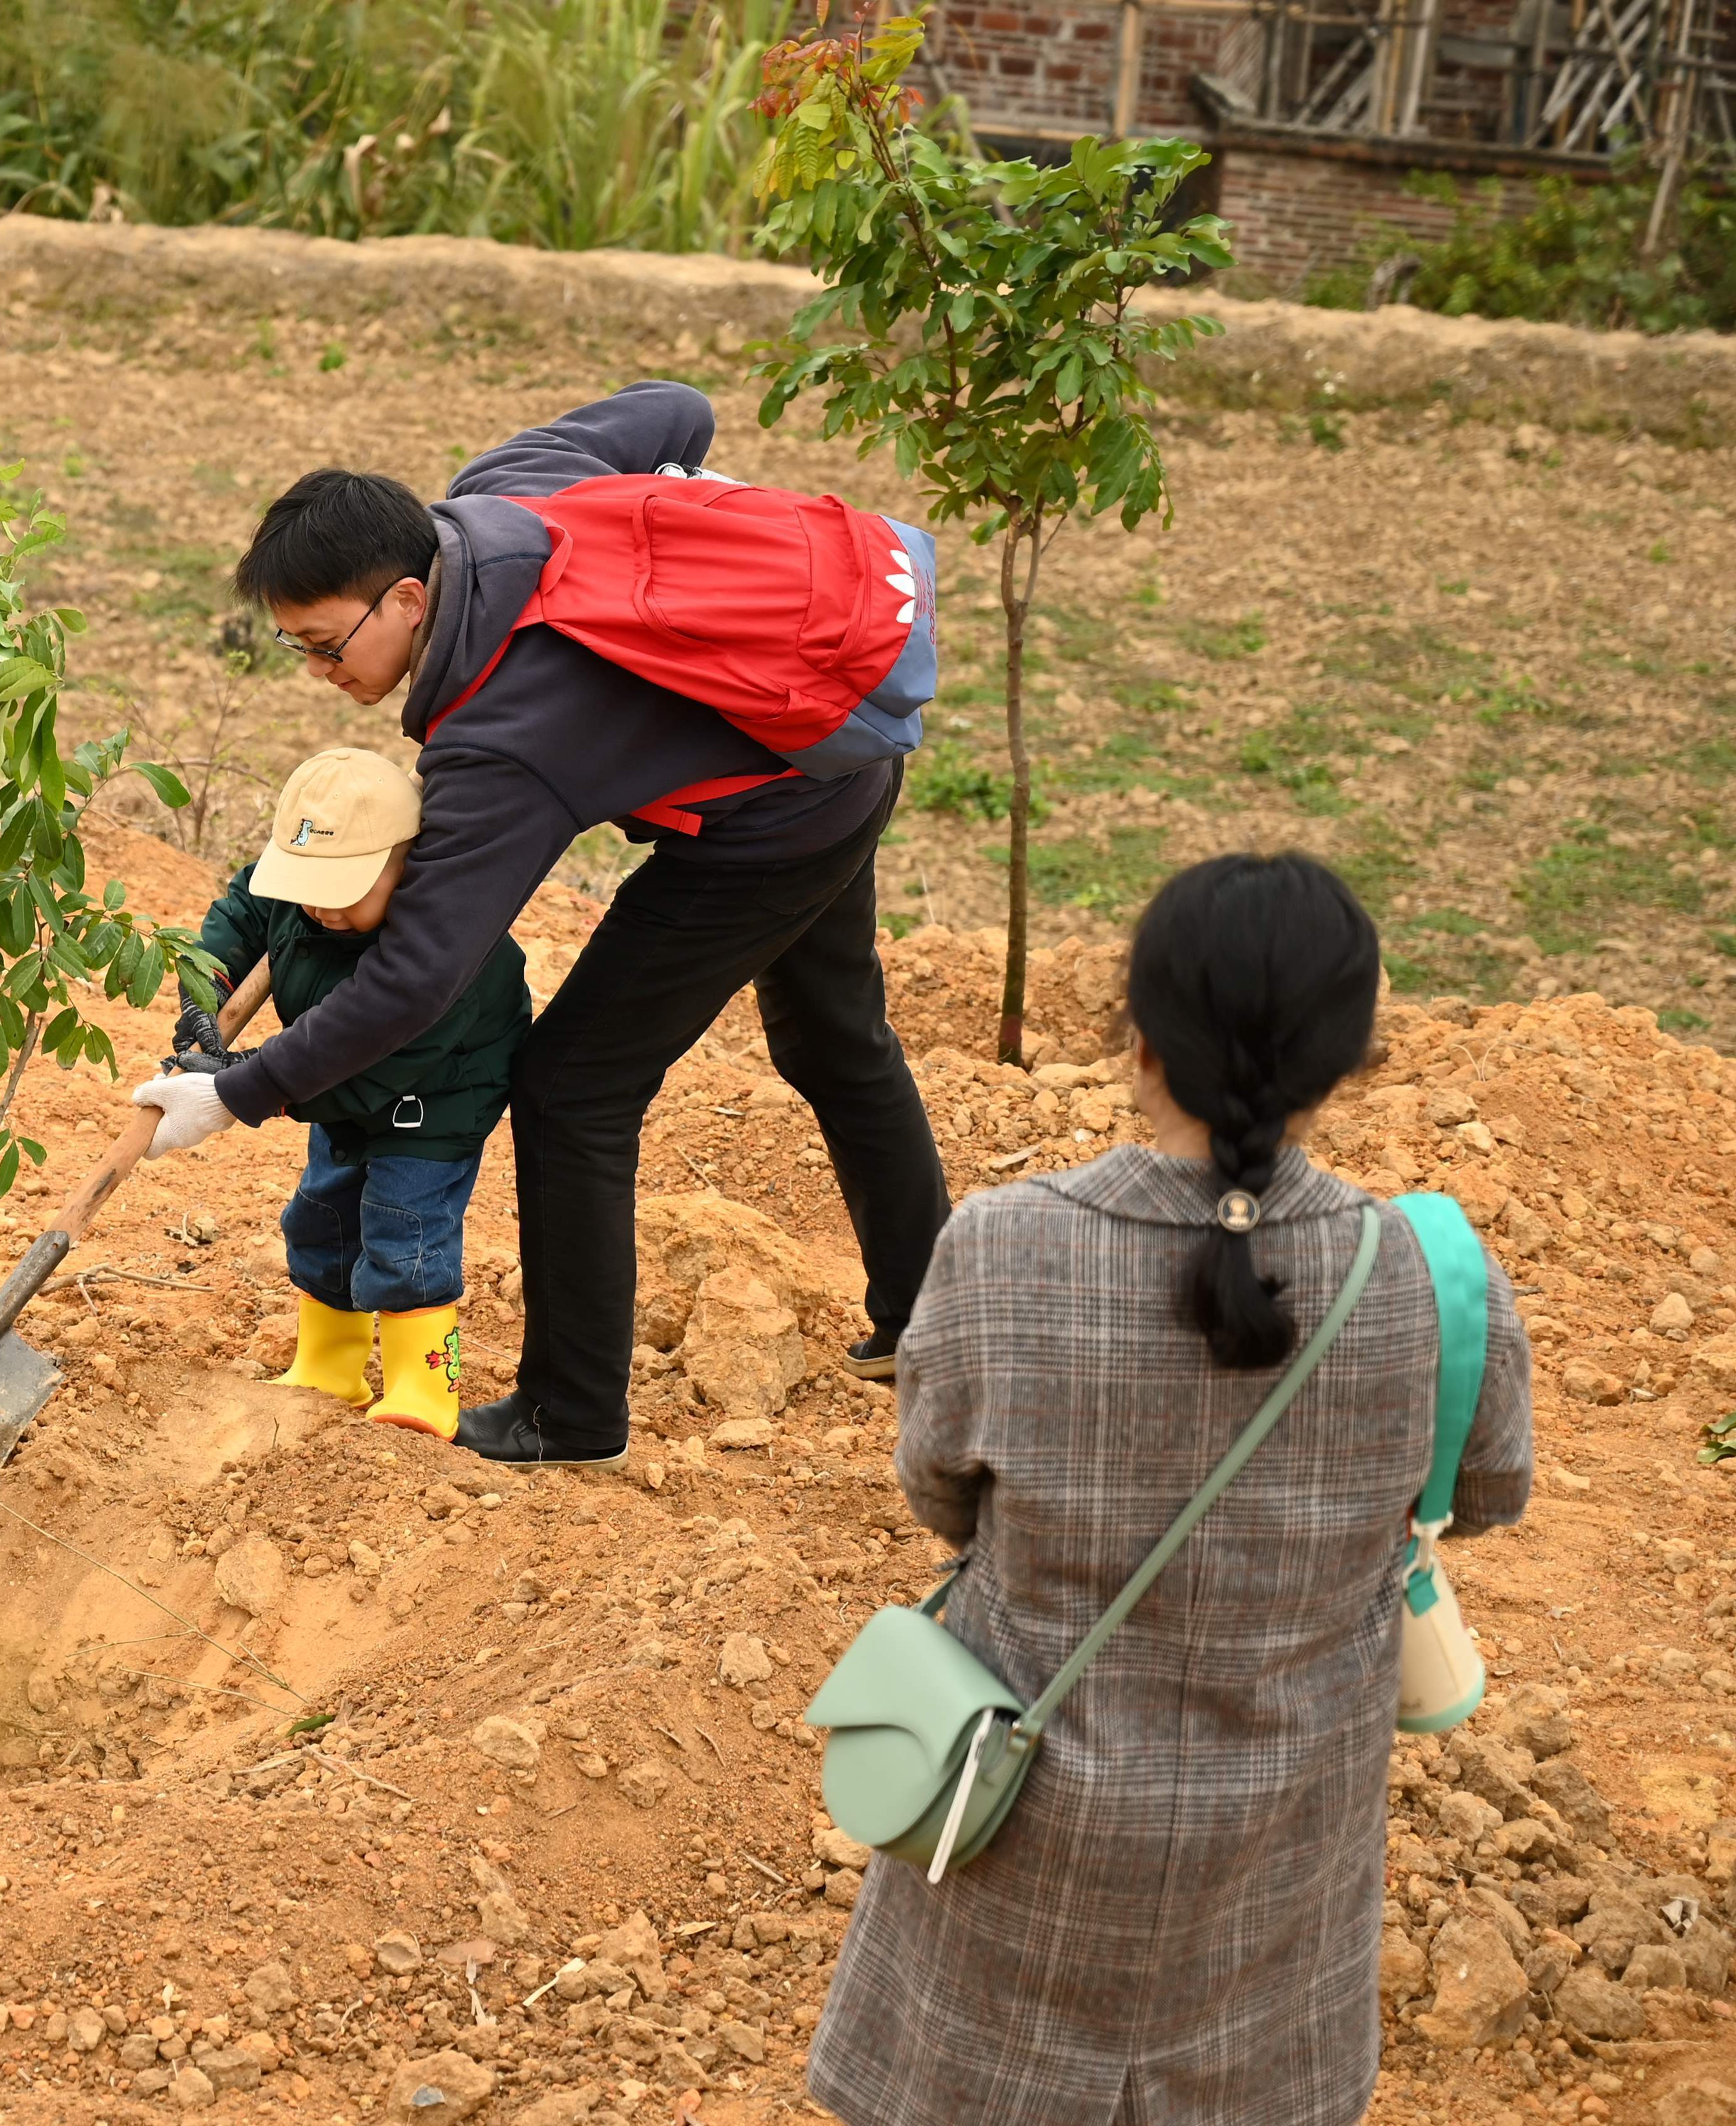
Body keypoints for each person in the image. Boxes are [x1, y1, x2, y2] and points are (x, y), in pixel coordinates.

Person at [806, 852, 1533, 2126]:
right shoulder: (1429, 1278)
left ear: (1136, 1036)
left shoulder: (1001, 1245)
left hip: (1014, 1855)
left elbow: (940, 1493)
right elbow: (1477, 1493)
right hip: (1277, 1902)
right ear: (1350, 1056)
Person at [129, 382, 949, 1468]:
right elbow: (677, 412)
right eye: (297, 649)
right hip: (826, 754)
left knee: (573, 1085)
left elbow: (417, 974)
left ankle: (569, 1415)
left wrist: (237, 1092)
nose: (321, 674)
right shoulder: (500, 492)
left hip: (773, 818)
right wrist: (688, 529)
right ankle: (936, 1326)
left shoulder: (496, 745)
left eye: (327, 644)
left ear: (410, 597)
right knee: (834, 1039)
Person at [183, 748, 530, 1438]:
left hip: (431, 1102)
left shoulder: (444, 948)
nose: (320, 907)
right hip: (328, 1085)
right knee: (321, 1219)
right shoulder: (298, 893)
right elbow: (241, 915)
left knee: (407, 1233)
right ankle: (329, 1363)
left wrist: (255, 1079)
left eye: (344, 892)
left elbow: (374, 1057)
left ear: (406, 866)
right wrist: (206, 995)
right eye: (307, 886)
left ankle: (424, 1384)